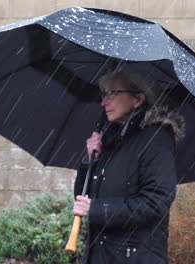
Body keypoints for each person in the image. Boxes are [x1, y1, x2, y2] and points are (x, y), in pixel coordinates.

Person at [72, 70, 185, 264]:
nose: (104, 102)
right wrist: (90, 160)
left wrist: (98, 209)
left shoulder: (156, 140)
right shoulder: (112, 140)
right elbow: (83, 197)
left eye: (113, 94)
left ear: (138, 99)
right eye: (104, 95)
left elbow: (155, 203)